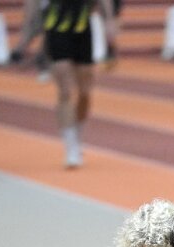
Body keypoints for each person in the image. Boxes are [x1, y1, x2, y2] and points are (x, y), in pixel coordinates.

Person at [11, 0, 116, 168]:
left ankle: (77, 135)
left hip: (82, 29)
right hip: (56, 31)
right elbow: (31, 7)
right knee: (65, 90)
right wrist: (24, 40)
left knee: (85, 92)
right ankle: (71, 147)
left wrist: (109, 20)